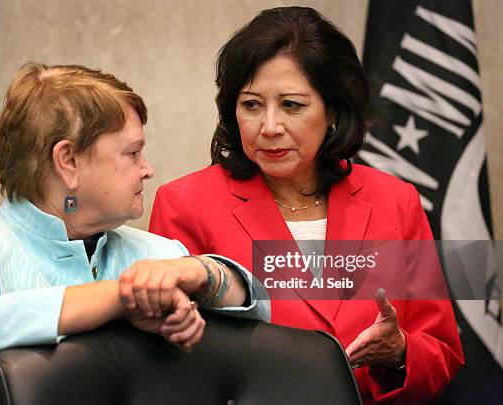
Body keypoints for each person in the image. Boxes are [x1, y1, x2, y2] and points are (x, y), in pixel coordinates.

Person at [149, 7, 463, 404]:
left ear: (333, 110)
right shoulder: (185, 204)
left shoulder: (394, 200)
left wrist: (399, 354)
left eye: (292, 105)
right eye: (251, 105)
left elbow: (442, 353)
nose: (270, 126)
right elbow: (166, 360)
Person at [0, 62, 266, 404]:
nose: (147, 169)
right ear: (69, 162)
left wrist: (201, 273)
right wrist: (120, 298)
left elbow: (262, 311)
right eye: (133, 152)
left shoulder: (156, 255)